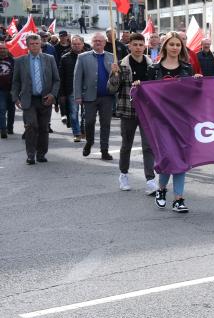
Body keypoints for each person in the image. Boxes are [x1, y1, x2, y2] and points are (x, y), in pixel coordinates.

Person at [147, 31, 202, 212]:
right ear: (165, 47)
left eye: (178, 45)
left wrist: (198, 83)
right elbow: (146, 95)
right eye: (172, 44)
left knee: (181, 158)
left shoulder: (187, 68)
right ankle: (161, 189)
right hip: (161, 120)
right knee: (169, 157)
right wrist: (138, 86)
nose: (175, 48)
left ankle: (178, 199)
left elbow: (194, 96)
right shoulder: (153, 69)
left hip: (182, 119)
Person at [107, 32, 157, 195]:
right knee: (126, 145)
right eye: (134, 45)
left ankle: (150, 180)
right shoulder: (121, 65)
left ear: (145, 46)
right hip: (128, 111)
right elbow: (112, 89)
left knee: (148, 146)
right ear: (129, 46)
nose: (137, 48)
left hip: (146, 111)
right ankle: (124, 175)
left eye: (140, 45)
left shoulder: (152, 65)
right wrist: (114, 75)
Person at [10, 34, 60, 164]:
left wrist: (53, 95)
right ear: (27, 46)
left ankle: (41, 153)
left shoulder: (49, 59)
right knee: (31, 126)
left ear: (40, 44)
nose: (34, 46)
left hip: (45, 99)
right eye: (31, 44)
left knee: (44, 128)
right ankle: (31, 154)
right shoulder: (20, 61)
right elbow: (15, 82)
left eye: (37, 43)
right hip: (29, 99)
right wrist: (15, 97)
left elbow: (56, 80)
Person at [74, 32, 116, 160]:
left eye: (100, 41)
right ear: (92, 43)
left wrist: (116, 72)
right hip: (89, 96)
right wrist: (77, 95)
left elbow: (116, 79)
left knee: (105, 124)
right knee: (89, 122)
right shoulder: (82, 57)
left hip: (107, 96)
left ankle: (104, 150)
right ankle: (89, 141)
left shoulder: (112, 56)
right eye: (95, 40)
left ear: (105, 43)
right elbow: (77, 78)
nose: (98, 43)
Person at [58, 35, 85, 142]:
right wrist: (62, 93)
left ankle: (83, 130)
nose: (77, 46)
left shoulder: (89, 56)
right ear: (71, 45)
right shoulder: (65, 58)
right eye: (74, 44)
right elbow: (61, 77)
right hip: (71, 89)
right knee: (73, 113)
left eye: (79, 44)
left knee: (86, 114)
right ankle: (77, 133)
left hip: (87, 89)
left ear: (82, 44)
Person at [0, 41, 14, 138]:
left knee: (11, 110)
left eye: (4, 48)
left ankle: (10, 127)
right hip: (0, 90)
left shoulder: (13, 60)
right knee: (2, 109)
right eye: (1, 49)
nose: (3, 50)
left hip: (12, 89)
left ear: (7, 49)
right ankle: (3, 129)